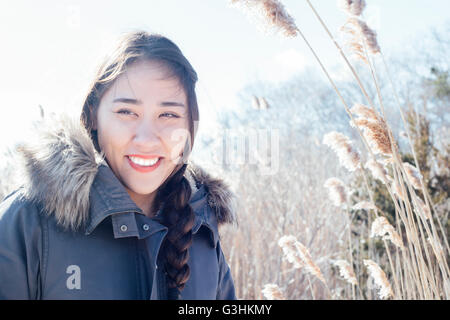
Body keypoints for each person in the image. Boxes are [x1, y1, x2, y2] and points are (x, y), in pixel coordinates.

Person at [0, 31, 237, 300]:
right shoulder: (28, 222)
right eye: (126, 112)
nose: (147, 139)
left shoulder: (202, 231)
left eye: (168, 114)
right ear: (92, 116)